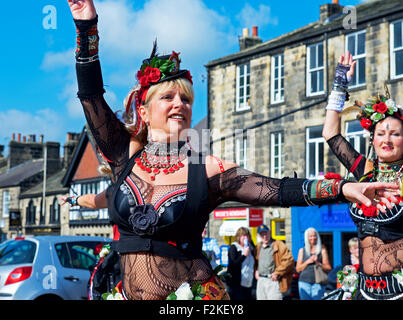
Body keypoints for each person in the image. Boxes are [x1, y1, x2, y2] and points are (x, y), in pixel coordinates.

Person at [66, 0, 399, 300]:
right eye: (168, 97)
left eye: (186, 99)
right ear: (144, 110)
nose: (179, 104)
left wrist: (342, 187)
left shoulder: (207, 168)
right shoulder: (125, 156)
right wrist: (86, 26)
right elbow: (92, 96)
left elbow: (276, 190)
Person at [322, 50, 403, 300]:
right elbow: (331, 135)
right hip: (363, 290)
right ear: (373, 138)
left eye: (395, 133)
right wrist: (339, 84)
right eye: (381, 133)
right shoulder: (366, 172)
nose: (386, 139)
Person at [254, 224, 294, 300]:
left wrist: (277, 272)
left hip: (273, 281)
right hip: (261, 281)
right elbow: (255, 261)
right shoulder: (258, 246)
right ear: (259, 235)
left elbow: (289, 260)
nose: (265, 236)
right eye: (262, 234)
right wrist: (256, 270)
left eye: (266, 233)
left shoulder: (278, 244)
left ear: (270, 232)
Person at [296, 227, 332, 300]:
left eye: (314, 235)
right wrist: (308, 261)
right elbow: (298, 269)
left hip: (318, 283)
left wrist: (318, 263)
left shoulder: (322, 249)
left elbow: (328, 268)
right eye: (310, 236)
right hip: (304, 282)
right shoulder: (302, 250)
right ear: (307, 238)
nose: (313, 238)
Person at [227, 227, 255, 300]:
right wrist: (244, 255)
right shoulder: (234, 247)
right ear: (238, 237)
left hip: (249, 282)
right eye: (243, 235)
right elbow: (233, 263)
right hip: (237, 284)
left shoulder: (251, 247)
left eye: (247, 235)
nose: (245, 237)